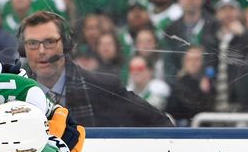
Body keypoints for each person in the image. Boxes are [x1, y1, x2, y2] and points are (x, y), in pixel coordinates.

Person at [20, 10, 173, 126]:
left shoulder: (104, 88)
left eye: (49, 42)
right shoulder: (13, 93)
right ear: (23, 49)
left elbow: (162, 124)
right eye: (32, 43)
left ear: (66, 45)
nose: (41, 51)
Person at [166, 45, 215, 126]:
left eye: (196, 59)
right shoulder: (177, 83)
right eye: (189, 59)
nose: (193, 63)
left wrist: (204, 92)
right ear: (184, 62)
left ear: (202, 62)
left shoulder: (209, 83)